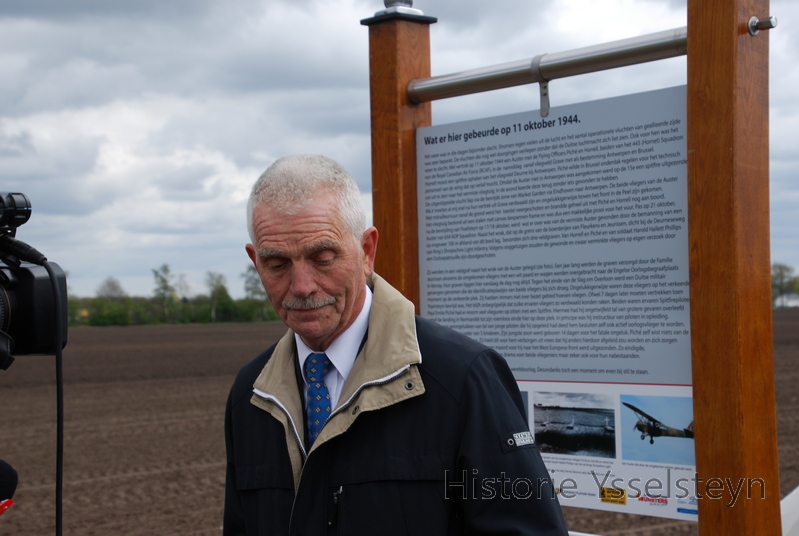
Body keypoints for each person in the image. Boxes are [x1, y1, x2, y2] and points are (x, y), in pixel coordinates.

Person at [224, 154, 568, 535]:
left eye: (322, 258)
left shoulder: (461, 380)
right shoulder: (250, 396)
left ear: (367, 251)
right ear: (256, 262)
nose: (302, 285)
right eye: (278, 264)